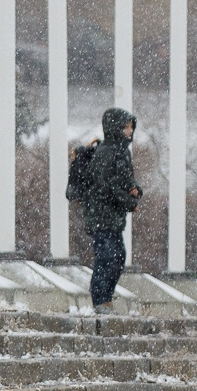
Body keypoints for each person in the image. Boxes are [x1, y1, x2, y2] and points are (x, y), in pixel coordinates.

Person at [78, 107, 141, 314]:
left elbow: (125, 180)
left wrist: (134, 190)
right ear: (116, 128)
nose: (130, 131)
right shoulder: (105, 153)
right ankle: (100, 299)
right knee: (107, 257)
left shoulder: (123, 152)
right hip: (101, 216)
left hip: (113, 217)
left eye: (131, 127)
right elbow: (106, 186)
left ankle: (105, 298)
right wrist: (128, 202)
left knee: (118, 256)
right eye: (126, 127)